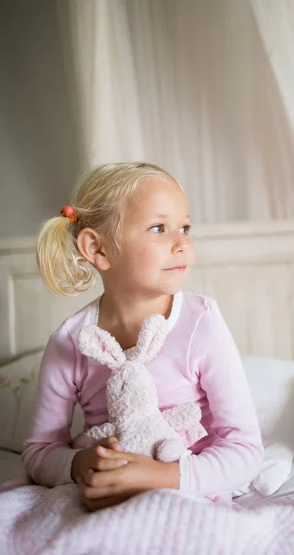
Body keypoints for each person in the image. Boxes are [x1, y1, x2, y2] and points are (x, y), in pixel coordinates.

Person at [22, 162, 263, 511]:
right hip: (108, 496)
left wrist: (159, 477)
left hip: (190, 488)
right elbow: (39, 451)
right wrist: (80, 465)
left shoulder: (201, 323)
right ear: (98, 249)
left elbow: (245, 449)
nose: (181, 242)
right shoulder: (70, 341)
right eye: (159, 227)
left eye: (185, 227)